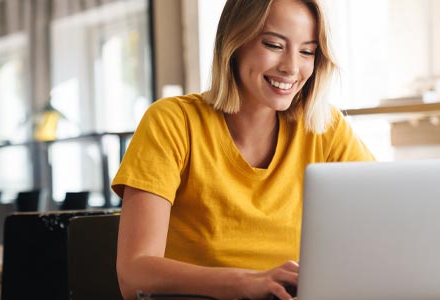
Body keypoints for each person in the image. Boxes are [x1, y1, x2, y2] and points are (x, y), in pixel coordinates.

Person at [111, 0, 375, 299]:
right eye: (274, 45)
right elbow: (134, 274)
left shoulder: (325, 128)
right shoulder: (173, 121)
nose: (291, 67)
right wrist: (247, 283)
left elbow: (384, 218)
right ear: (234, 42)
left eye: (307, 51)